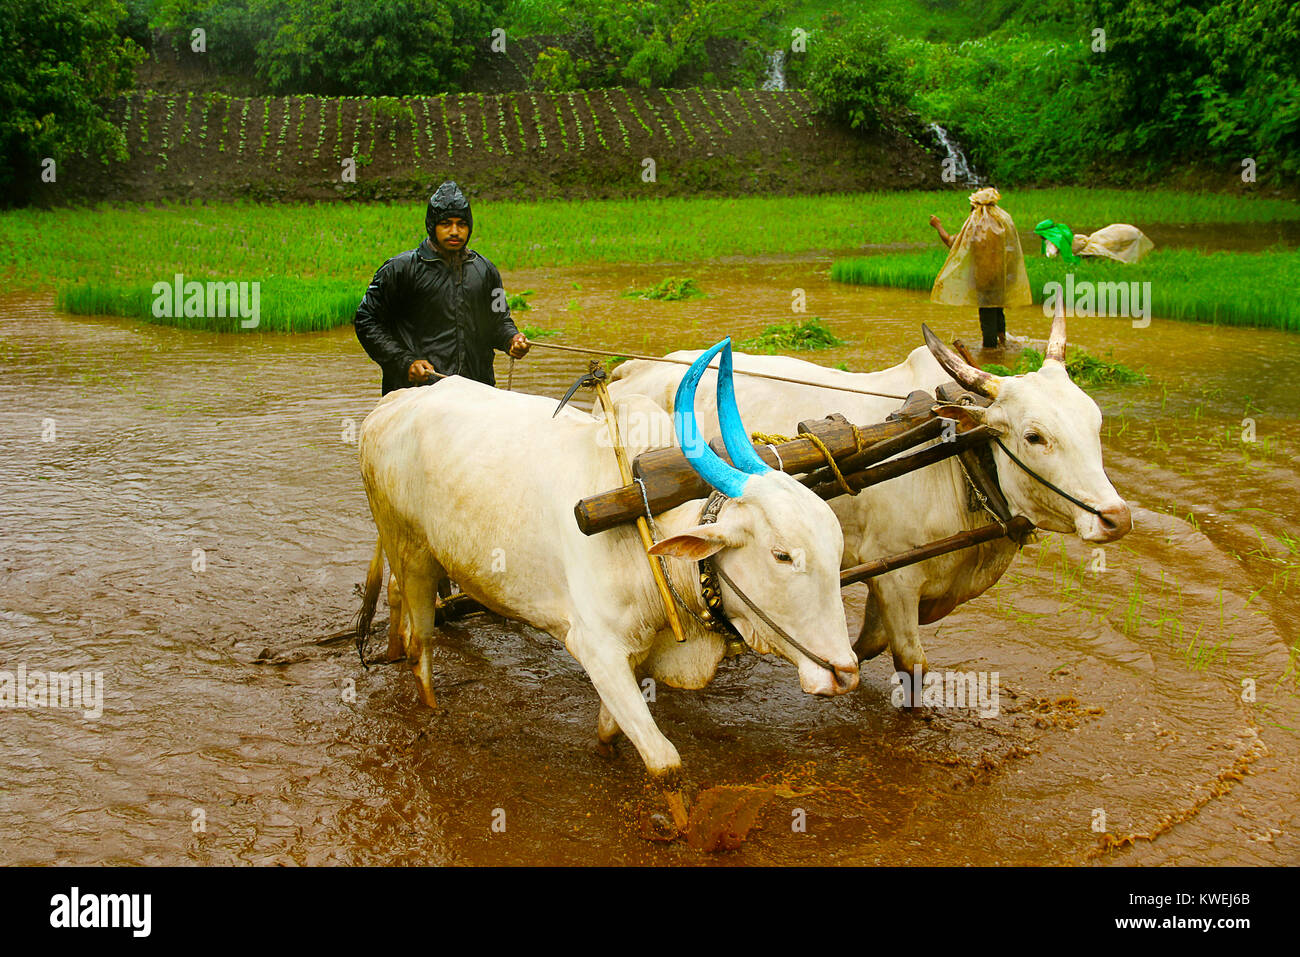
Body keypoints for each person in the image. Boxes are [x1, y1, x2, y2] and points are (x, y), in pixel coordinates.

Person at [354, 181, 529, 395]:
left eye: (461, 224)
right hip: (417, 393)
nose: (454, 231)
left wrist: (512, 339)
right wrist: (405, 362)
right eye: (446, 223)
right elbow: (366, 320)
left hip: (476, 392)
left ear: (469, 227)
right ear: (432, 226)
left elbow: (499, 320)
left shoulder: (486, 271)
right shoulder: (400, 270)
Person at [928, 187, 1031, 349]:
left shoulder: (976, 227)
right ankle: (1003, 345)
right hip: (1002, 280)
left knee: (987, 319)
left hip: (984, 282)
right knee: (998, 312)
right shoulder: (1004, 224)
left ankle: (990, 355)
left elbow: (951, 242)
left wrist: (938, 225)